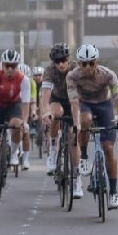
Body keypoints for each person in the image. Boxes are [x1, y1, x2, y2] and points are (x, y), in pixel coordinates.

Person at [67, 44, 118, 208]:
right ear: (78, 63)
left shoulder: (108, 74)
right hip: (84, 104)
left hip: (104, 105)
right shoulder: (72, 76)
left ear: (96, 62)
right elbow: (74, 102)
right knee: (84, 120)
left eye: (91, 63)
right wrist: (77, 123)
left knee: (108, 148)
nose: (87, 67)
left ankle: (113, 193)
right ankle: (84, 156)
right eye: (83, 63)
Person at [0, 49, 31, 187]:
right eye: (7, 65)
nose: (10, 69)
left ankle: (14, 153)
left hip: (13, 105)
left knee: (17, 125)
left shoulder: (24, 79)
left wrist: (25, 122)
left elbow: (26, 103)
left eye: (13, 66)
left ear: (17, 66)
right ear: (2, 65)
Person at [39, 43, 78, 181]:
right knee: (56, 113)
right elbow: (45, 95)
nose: (61, 64)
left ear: (69, 59)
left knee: (73, 134)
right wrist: (45, 112)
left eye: (64, 60)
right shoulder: (50, 71)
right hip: (57, 99)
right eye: (57, 61)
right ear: (53, 62)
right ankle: (53, 150)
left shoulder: (76, 69)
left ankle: (76, 171)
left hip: (73, 101)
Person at [18, 63, 37, 170]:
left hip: (26, 106)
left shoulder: (31, 83)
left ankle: (25, 159)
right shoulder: (12, 80)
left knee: (25, 132)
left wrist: (33, 112)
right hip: (13, 106)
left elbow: (33, 101)